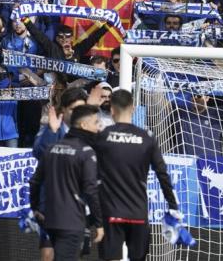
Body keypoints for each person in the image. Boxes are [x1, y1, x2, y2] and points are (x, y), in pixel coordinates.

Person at [96, 89, 179, 261]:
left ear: (111, 110)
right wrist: (173, 206)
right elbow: (162, 174)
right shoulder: (146, 138)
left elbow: (88, 172)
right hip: (138, 213)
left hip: (111, 212)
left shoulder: (102, 137)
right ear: (133, 108)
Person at [29, 104, 104, 260]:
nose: (99, 127)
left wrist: (36, 209)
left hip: (49, 219)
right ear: (84, 125)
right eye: (96, 123)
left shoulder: (52, 148)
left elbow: (35, 181)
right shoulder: (85, 152)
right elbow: (91, 189)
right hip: (71, 221)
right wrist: (99, 222)